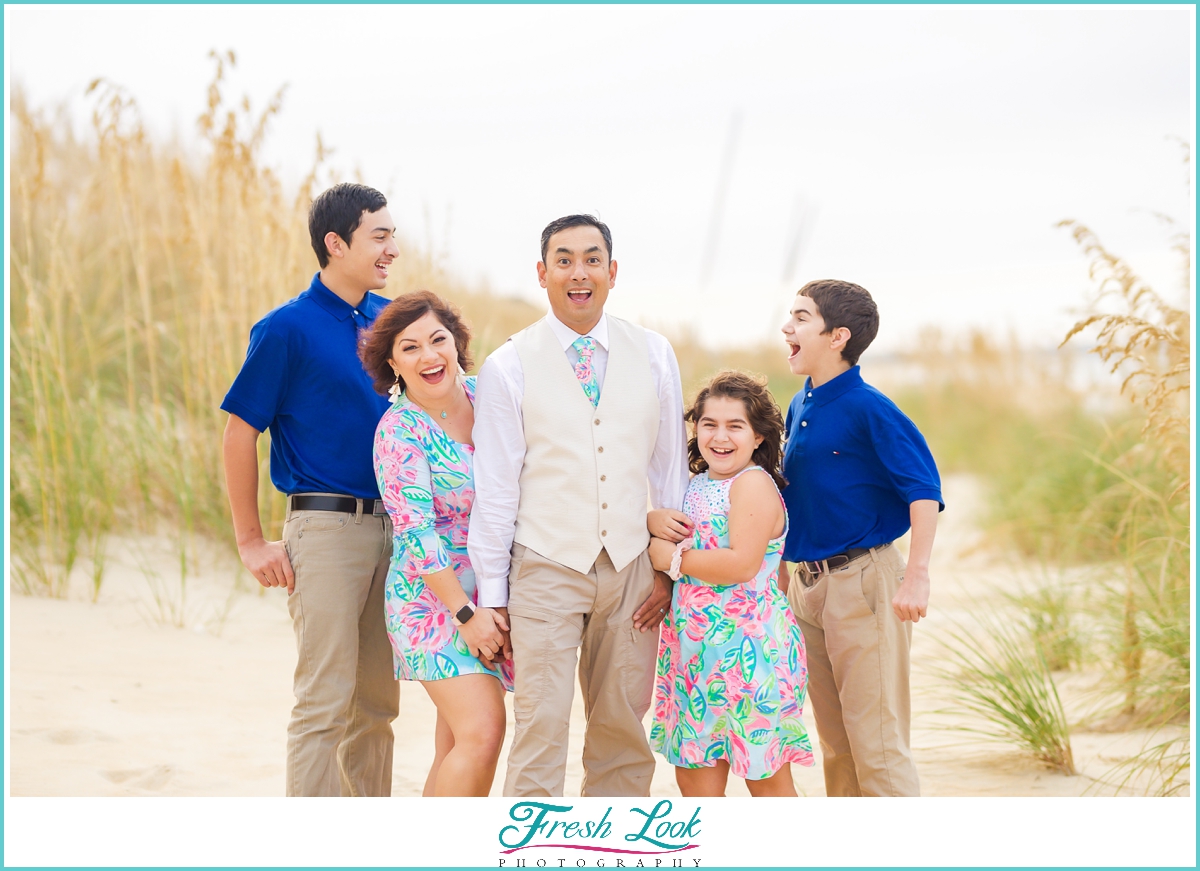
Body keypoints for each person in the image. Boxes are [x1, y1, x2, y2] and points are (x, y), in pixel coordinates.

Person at [468, 214, 690, 797]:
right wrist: (493, 597)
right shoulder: (509, 365)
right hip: (544, 564)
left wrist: (667, 570)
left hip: (633, 567)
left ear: (612, 272)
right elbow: (495, 492)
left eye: (592, 259)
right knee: (540, 726)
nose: (579, 273)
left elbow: (669, 471)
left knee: (622, 730)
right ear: (542, 274)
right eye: (563, 260)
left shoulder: (655, 353)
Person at [221, 183, 400, 797]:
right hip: (325, 532)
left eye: (391, 236)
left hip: (397, 534)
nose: (391, 249)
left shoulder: (390, 322)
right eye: (379, 235)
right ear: (335, 242)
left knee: (377, 707)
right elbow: (239, 433)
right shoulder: (285, 329)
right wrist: (250, 540)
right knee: (323, 703)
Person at [778, 278, 943, 797]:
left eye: (801, 317)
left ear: (838, 336)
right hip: (807, 588)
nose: (788, 326)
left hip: (864, 582)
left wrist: (916, 576)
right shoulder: (800, 404)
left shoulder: (870, 407)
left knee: (877, 744)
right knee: (836, 744)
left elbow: (924, 489)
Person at [358, 290, 515, 796]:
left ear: (456, 342)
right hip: (433, 602)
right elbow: (417, 534)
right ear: (393, 364)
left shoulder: (487, 396)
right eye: (410, 348)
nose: (429, 356)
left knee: (458, 745)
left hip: (491, 592)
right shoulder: (399, 431)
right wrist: (466, 615)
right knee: (482, 731)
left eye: (437, 339)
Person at [647, 370, 815, 797]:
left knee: (766, 780)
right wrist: (651, 521)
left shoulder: (753, 483)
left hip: (750, 653)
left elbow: (742, 564)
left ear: (758, 436)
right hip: (695, 653)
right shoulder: (696, 484)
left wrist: (674, 559)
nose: (720, 437)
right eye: (709, 424)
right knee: (694, 776)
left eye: (735, 426)